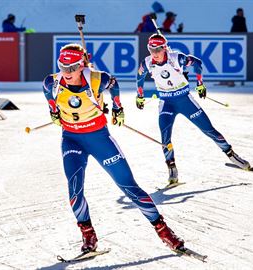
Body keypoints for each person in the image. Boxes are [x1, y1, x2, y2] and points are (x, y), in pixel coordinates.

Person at [43, 43, 185, 253]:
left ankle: (164, 231)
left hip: (99, 139)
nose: (67, 73)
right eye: (63, 68)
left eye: (72, 68)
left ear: (81, 65)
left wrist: (117, 106)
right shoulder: (51, 82)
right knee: (74, 191)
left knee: (128, 186)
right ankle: (88, 234)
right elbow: (48, 95)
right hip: (72, 140)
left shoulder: (97, 79)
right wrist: (53, 111)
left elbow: (113, 84)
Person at [135, 34, 250, 185]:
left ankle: (231, 154)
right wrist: (140, 95)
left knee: (208, 129)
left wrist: (200, 83)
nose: (154, 53)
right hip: (166, 102)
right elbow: (139, 77)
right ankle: (171, 168)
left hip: (184, 100)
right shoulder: (147, 62)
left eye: (157, 49)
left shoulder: (177, 58)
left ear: (164, 48)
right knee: (165, 137)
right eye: (151, 49)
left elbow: (198, 63)